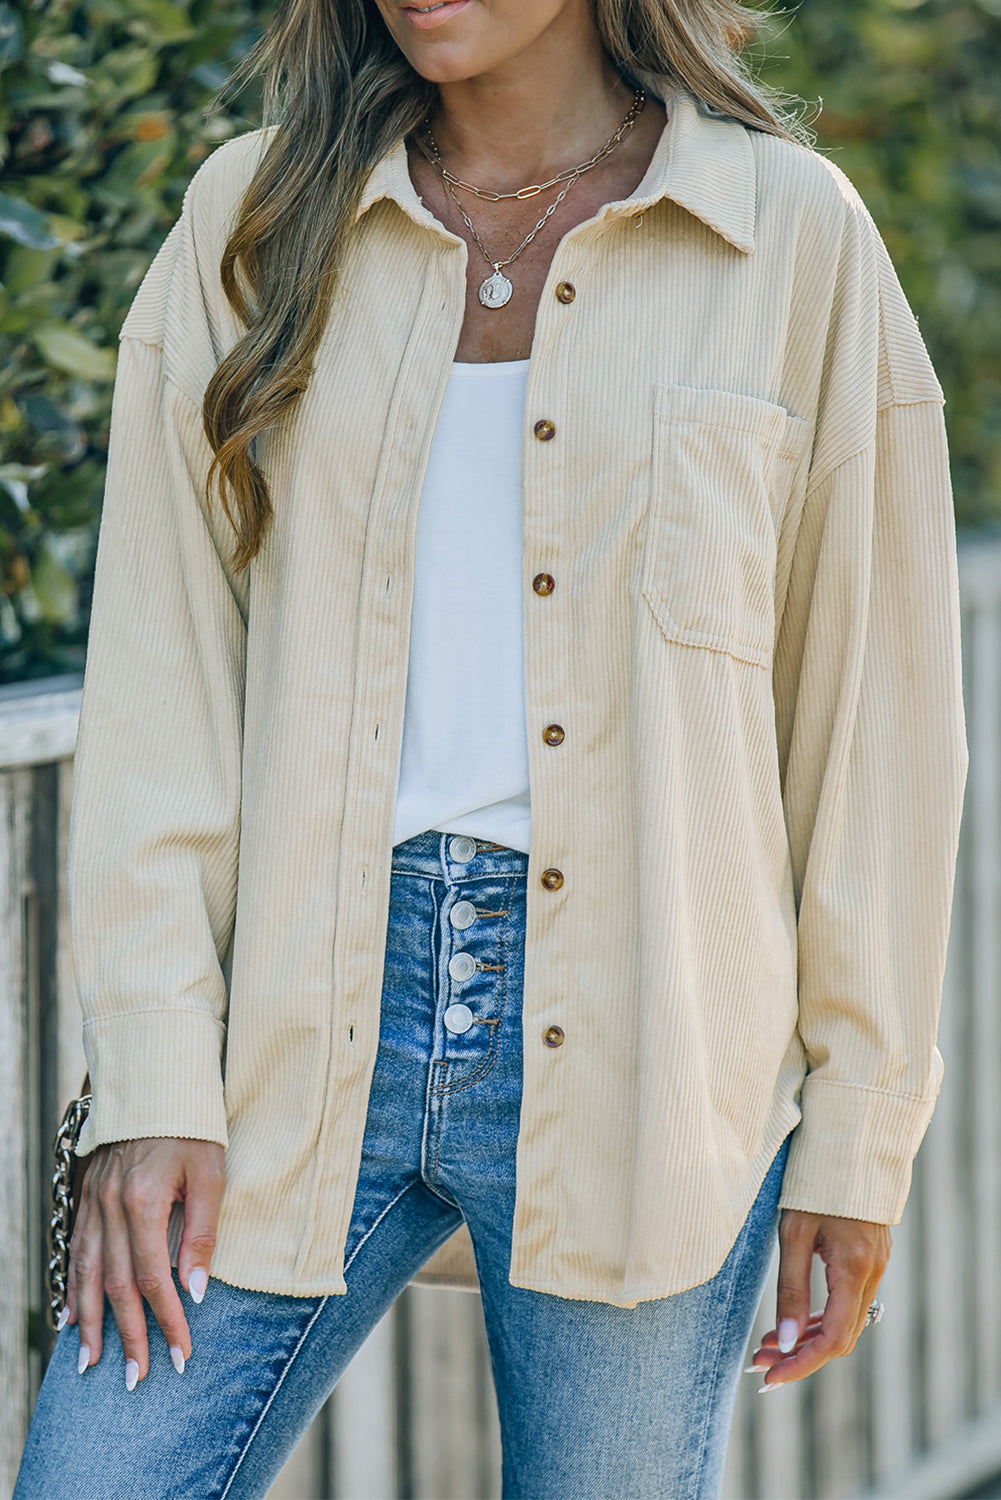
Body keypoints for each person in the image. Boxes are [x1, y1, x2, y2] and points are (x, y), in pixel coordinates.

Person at [15, 0, 968, 1496]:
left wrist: (857, 1138)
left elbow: (876, 725)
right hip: (288, 1025)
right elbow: (163, 677)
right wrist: (147, 1077)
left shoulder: (785, 236)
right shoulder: (252, 219)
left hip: (658, 1049)